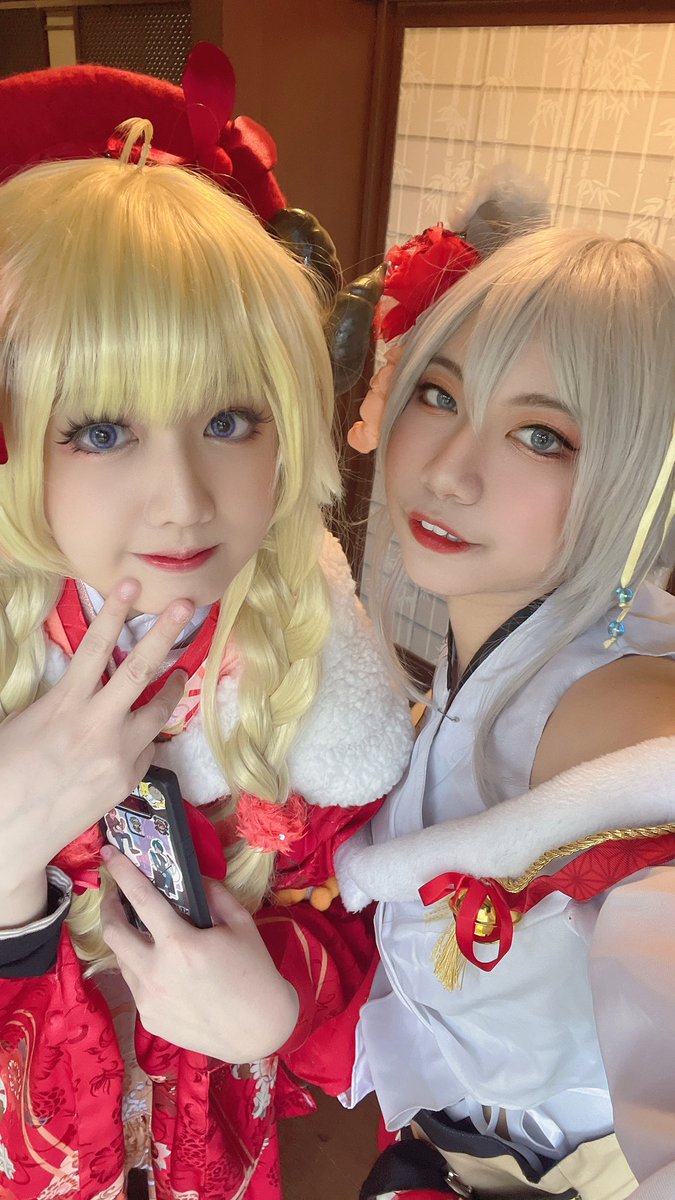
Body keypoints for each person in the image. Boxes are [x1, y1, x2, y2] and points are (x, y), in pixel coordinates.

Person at [0, 63, 413, 1200]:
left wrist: (274, 1003)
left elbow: (368, 920)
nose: (185, 501)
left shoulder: (312, 650)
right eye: (100, 430)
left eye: (231, 418)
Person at [337, 220, 675, 1199]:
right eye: (440, 394)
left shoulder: (618, 727)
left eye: (542, 436)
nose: (449, 469)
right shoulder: (489, 649)